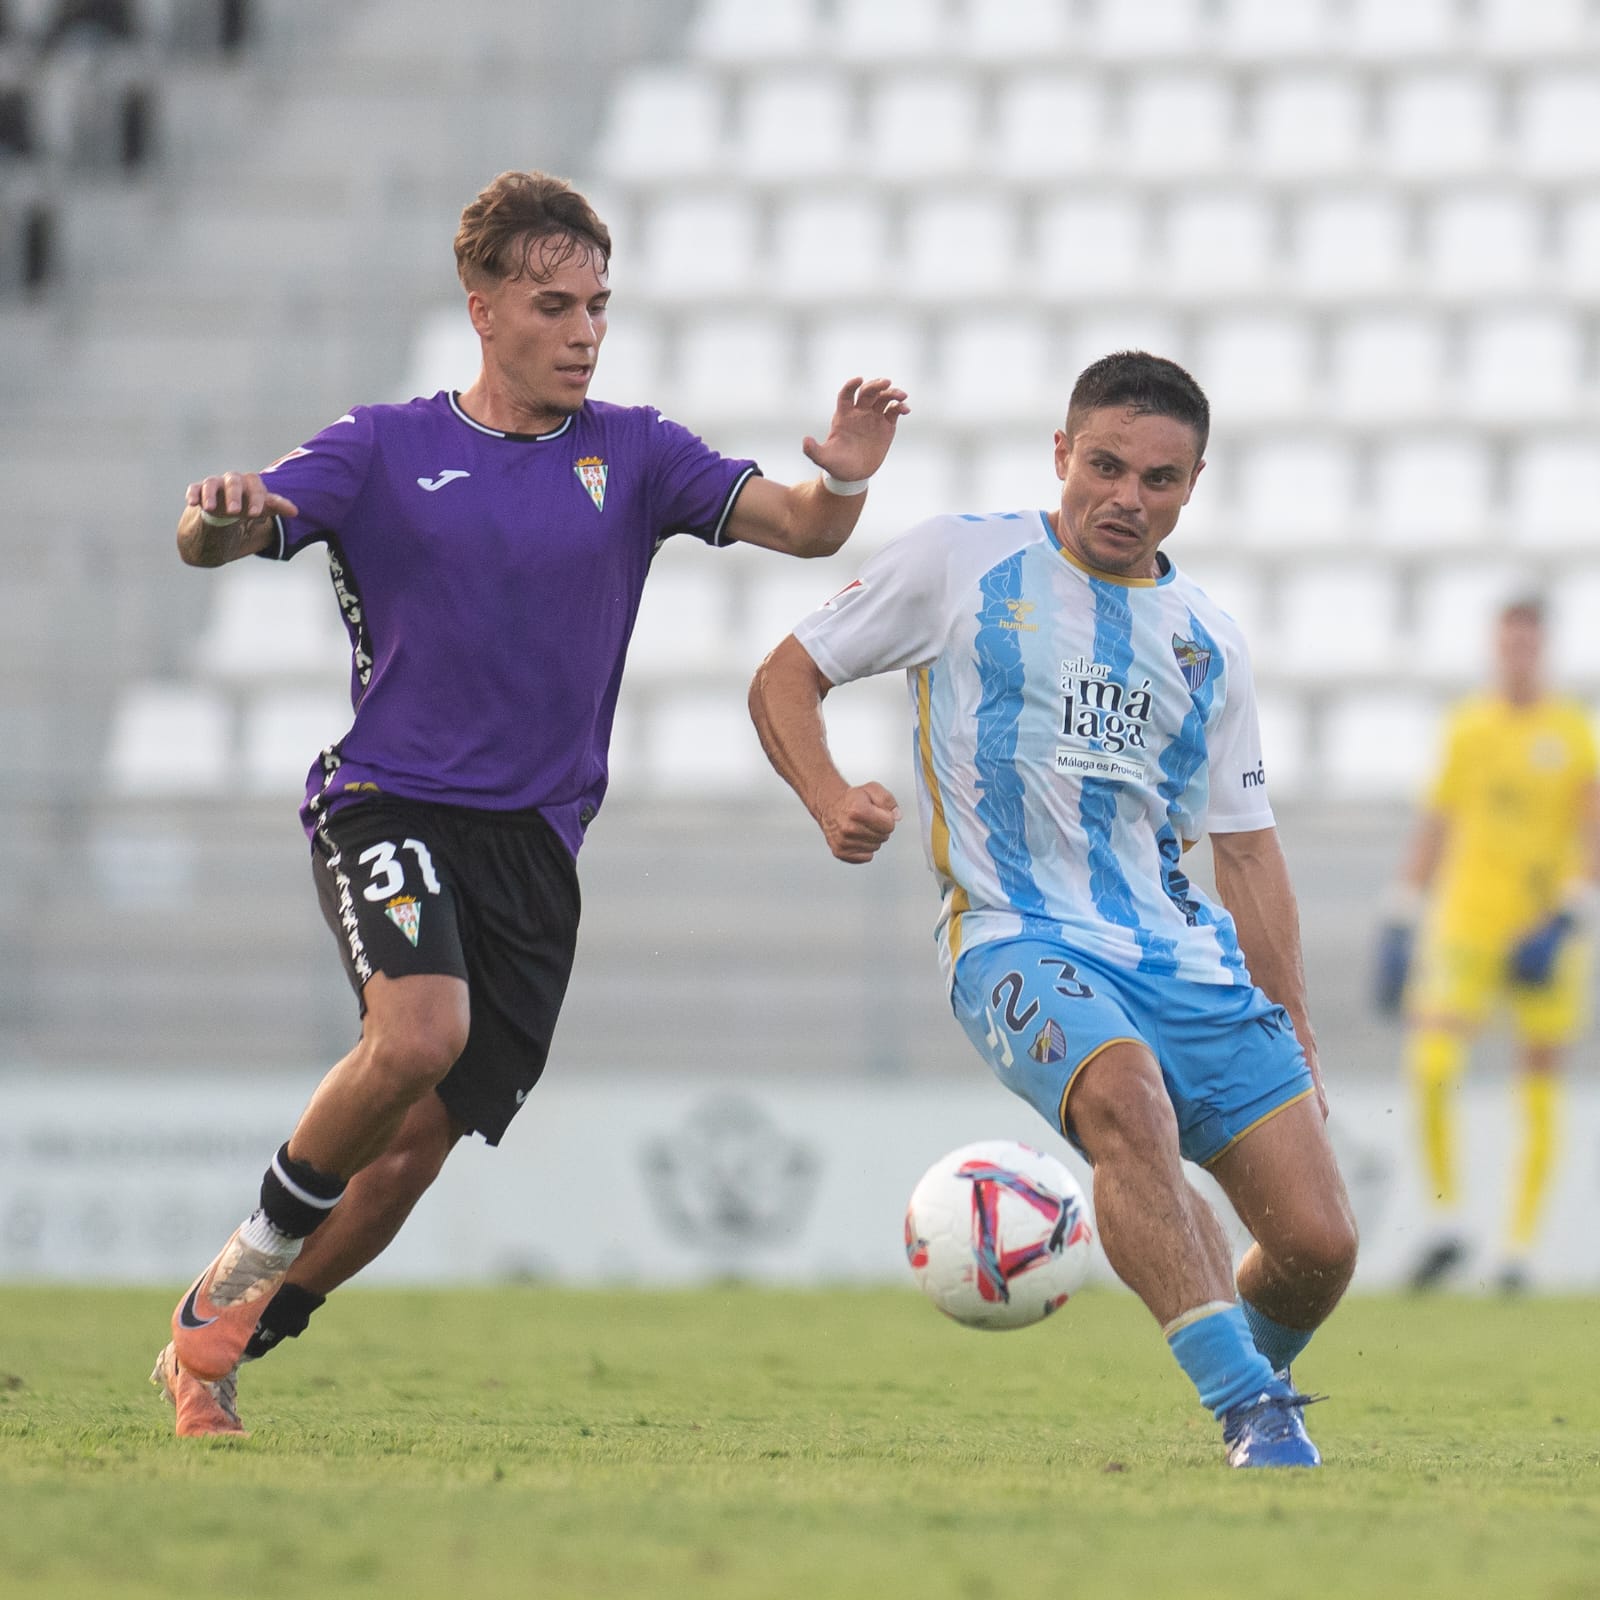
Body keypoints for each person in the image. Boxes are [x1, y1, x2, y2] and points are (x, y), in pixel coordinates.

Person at [151, 168, 910, 1437]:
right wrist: (217, 515)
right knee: (416, 1035)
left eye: (600, 305)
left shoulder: (637, 450)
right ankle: (225, 1287)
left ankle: (226, 1338)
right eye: (555, 304)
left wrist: (839, 481)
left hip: (535, 846)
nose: (584, 331)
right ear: (484, 308)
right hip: (388, 800)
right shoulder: (382, 446)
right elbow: (218, 536)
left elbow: (800, 529)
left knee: (413, 1148)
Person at [748, 352, 1358, 1469]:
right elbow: (785, 674)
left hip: (1178, 954)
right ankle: (1250, 1415)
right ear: (1061, 455)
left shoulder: (1207, 637)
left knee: (1319, 1243)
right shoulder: (959, 561)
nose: (1129, 496)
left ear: (1194, 482)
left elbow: (1248, 851)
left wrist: (1298, 1024)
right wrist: (829, 794)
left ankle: (1231, 1365)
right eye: (1107, 465)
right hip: (1013, 937)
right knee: (1125, 1102)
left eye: (1161, 479)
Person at [1376, 597, 1599, 1292]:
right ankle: (1448, 1222)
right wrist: (1402, 913)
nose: (1518, 654)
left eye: (1529, 643)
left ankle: (1518, 1250)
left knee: (1537, 1079)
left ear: (1544, 648)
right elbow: (1436, 823)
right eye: (1509, 643)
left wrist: (1569, 918)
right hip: (1466, 922)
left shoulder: (1573, 732)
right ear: (1496, 646)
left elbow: (1591, 833)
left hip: (1541, 928)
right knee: (1434, 1064)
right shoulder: (1468, 728)